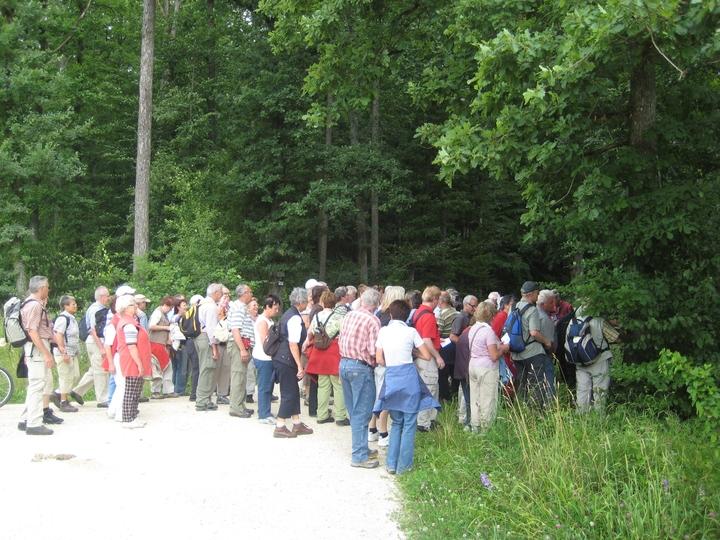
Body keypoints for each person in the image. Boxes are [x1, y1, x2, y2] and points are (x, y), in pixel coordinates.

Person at [374, 300, 438, 474]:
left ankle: (391, 464)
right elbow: (425, 355)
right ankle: (404, 467)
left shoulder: (383, 331)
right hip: (409, 379)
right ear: (407, 315)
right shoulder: (411, 331)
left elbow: (379, 359)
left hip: (392, 378)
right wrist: (412, 351)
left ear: (392, 315)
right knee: (409, 423)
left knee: (396, 423)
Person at [339, 288, 382, 468]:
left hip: (344, 364)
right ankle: (359, 456)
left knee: (353, 410)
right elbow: (373, 351)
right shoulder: (373, 320)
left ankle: (362, 448)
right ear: (376, 304)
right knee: (362, 412)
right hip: (361, 367)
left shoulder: (349, 315)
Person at [18, 276, 61, 434]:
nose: (48, 290)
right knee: (37, 386)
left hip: (34, 349)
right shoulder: (35, 305)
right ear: (41, 288)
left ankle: (25, 419)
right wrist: (47, 354)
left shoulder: (31, 303)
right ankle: (34, 424)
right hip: (36, 350)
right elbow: (32, 331)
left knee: (35, 385)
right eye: (47, 287)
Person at [272, 287, 314, 438]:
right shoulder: (295, 318)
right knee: (289, 392)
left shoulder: (288, 314)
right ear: (301, 302)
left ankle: (296, 423)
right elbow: (292, 344)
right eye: (307, 301)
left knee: (293, 391)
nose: (308, 304)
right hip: (287, 360)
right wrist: (299, 366)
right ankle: (280, 425)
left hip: (281, 358)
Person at [369, 285, 405, 446]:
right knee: (386, 398)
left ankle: (372, 429)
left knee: (378, 396)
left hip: (379, 361)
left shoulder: (378, 313)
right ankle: (383, 432)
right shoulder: (393, 319)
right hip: (389, 362)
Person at [306, 290, 348, 426]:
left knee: (322, 385)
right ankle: (340, 416)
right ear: (334, 302)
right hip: (334, 351)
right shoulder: (339, 317)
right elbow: (344, 334)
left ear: (322, 302)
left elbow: (310, 333)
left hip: (319, 352)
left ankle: (322, 414)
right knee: (338, 386)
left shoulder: (317, 316)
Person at [468, 301, 509, 431]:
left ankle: (475, 425)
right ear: (491, 315)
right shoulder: (488, 332)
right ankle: (486, 427)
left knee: (475, 397)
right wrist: (503, 348)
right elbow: (494, 355)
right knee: (488, 399)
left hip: (473, 365)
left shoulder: (473, 328)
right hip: (486, 368)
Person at [510, 281, 553, 407]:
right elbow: (534, 332)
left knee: (521, 383)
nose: (537, 296)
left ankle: (521, 410)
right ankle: (536, 412)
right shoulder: (532, 310)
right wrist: (546, 341)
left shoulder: (513, 307)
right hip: (532, 353)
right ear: (532, 294)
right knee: (536, 384)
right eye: (537, 293)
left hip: (516, 353)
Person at [412, 286, 446, 432]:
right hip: (427, 358)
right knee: (429, 388)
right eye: (438, 299)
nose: (438, 302)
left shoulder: (418, 312)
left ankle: (430, 419)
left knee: (429, 388)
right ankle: (424, 423)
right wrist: (438, 357)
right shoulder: (429, 316)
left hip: (419, 356)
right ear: (434, 299)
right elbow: (426, 339)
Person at [115, 295, 151, 428]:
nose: (135, 306)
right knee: (131, 390)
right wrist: (139, 364)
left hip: (133, 359)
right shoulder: (128, 324)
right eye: (132, 305)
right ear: (125, 308)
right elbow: (131, 345)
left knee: (136, 390)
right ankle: (128, 419)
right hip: (131, 361)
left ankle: (133, 416)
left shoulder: (131, 321)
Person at [74, 285, 111, 407]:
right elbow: (93, 330)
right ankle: (102, 399)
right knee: (101, 370)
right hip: (96, 342)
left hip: (91, 342)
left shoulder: (95, 308)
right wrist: (101, 347)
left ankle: (77, 391)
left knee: (94, 369)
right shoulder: (96, 310)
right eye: (107, 296)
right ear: (101, 296)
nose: (108, 298)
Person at [569, 306, 612, 412]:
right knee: (600, 389)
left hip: (580, 360)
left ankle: (581, 415)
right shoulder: (599, 321)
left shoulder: (572, 322)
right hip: (599, 360)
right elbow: (615, 337)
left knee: (582, 390)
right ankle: (599, 416)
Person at [227, 284, 255, 419]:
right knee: (238, 376)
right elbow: (235, 329)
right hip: (239, 345)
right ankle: (235, 408)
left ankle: (240, 405)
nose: (251, 294)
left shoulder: (241, 307)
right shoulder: (238, 308)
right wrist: (242, 349)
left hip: (243, 344)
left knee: (242, 376)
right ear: (244, 293)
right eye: (250, 292)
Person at [195, 283, 224, 411]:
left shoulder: (201, 304)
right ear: (216, 293)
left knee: (205, 368)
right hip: (206, 339)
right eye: (221, 293)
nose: (222, 295)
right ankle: (202, 401)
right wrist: (214, 347)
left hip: (199, 338)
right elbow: (211, 328)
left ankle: (205, 399)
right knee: (207, 368)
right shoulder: (211, 307)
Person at [50, 295, 82, 412]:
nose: (75, 306)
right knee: (65, 376)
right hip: (64, 353)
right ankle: (64, 401)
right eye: (73, 304)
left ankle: (57, 393)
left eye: (75, 304)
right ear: (65, 306)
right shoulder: (63, 318)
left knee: (75, 375)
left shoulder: (71, 318)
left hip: (72, 353)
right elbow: (58, 335)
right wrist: (63, 352)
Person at [253, 294, 280, 424]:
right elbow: (266, 343)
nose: (277, 310)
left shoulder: (269, 320)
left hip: (268, 358)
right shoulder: (262, 321)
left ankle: (265, 410)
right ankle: (263, 414)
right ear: (267, 307)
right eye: (275, 307)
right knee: (264, 386)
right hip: (264, 358)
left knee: (268, 385)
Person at [148, 295, 176, 398]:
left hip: (161, 344)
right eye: (170, 307)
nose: (170, 310)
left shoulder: (164, 314)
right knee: (157, 368)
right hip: (155, 343)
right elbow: (151, 326)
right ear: (165, 305)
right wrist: (167, 327)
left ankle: (167, 390)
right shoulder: (157, 313)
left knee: (166, 367)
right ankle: (156, 391)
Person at [437, 290, 459, 402]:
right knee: (454, 373)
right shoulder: (457, 313)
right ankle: (455, 395)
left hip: (445, 347)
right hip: (456, 346)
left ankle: (445, 398)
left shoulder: (442, 314)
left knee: (443, 375)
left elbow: (439, 332)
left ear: (441, 301)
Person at [537, 289, 558, 399]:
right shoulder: (545, 319)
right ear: (542, 304)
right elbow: (550, 344)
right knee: (548, 382)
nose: (554, 305)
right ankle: (550, 406)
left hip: (531, 356)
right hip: (545, 356)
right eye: (551, 302)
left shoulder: (532, 313)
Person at [245, 298, 259, 404]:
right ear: (248, 308)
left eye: (256, 305)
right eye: (253, 305)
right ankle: (249, 393)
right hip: (250, 347)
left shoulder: (260, 319)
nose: (256, 307)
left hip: (259, 348)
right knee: (250, 371)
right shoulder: (246, 320)